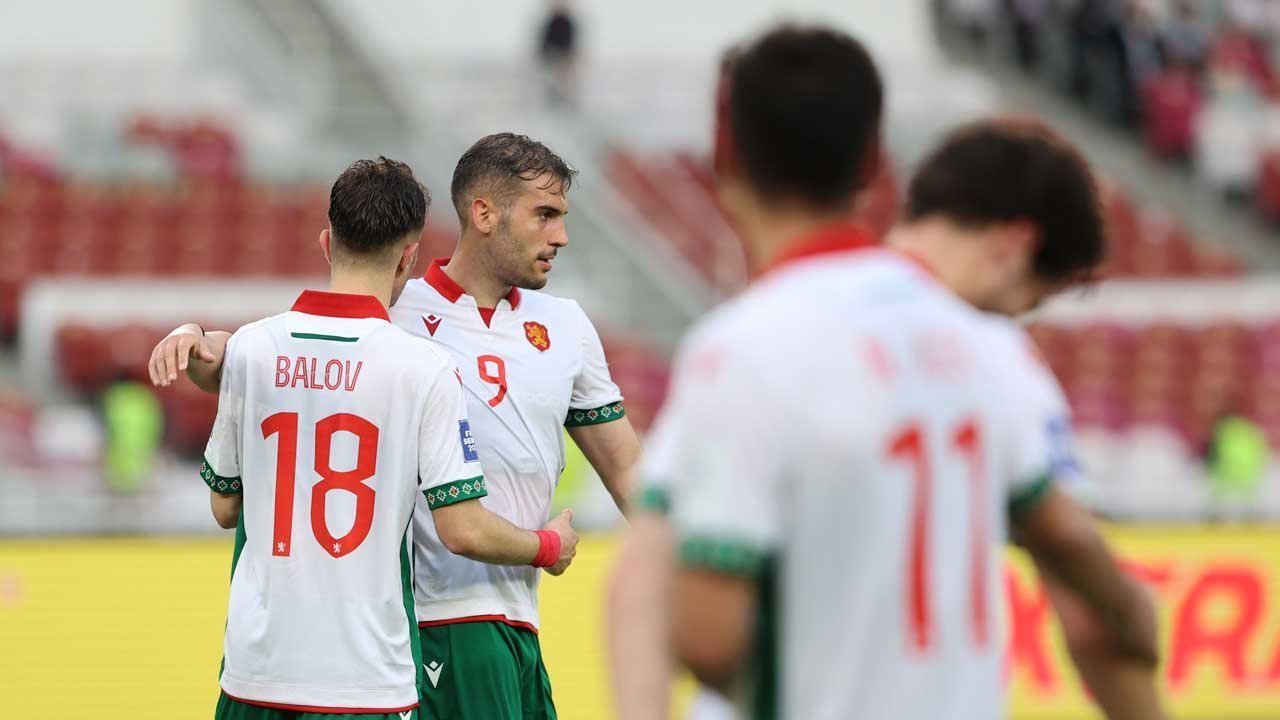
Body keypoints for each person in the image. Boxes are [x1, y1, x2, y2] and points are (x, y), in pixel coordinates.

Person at [607, 26, 1161, 720]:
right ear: (874, 160)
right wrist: (1129, 604)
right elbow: (1073, 557)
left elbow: (684, 614)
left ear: (724, 156)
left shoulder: (746, 348)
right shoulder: (992, 353)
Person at [151, 137, 641, 720]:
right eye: (545, 215)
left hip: (516, 620)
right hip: (424, 624)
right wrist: (200, 340)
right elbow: (280, 369)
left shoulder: (567, 326)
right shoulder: (396, 316)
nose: (560, 236)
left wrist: (687, 561)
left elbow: (627, 466)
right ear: (483, 214)